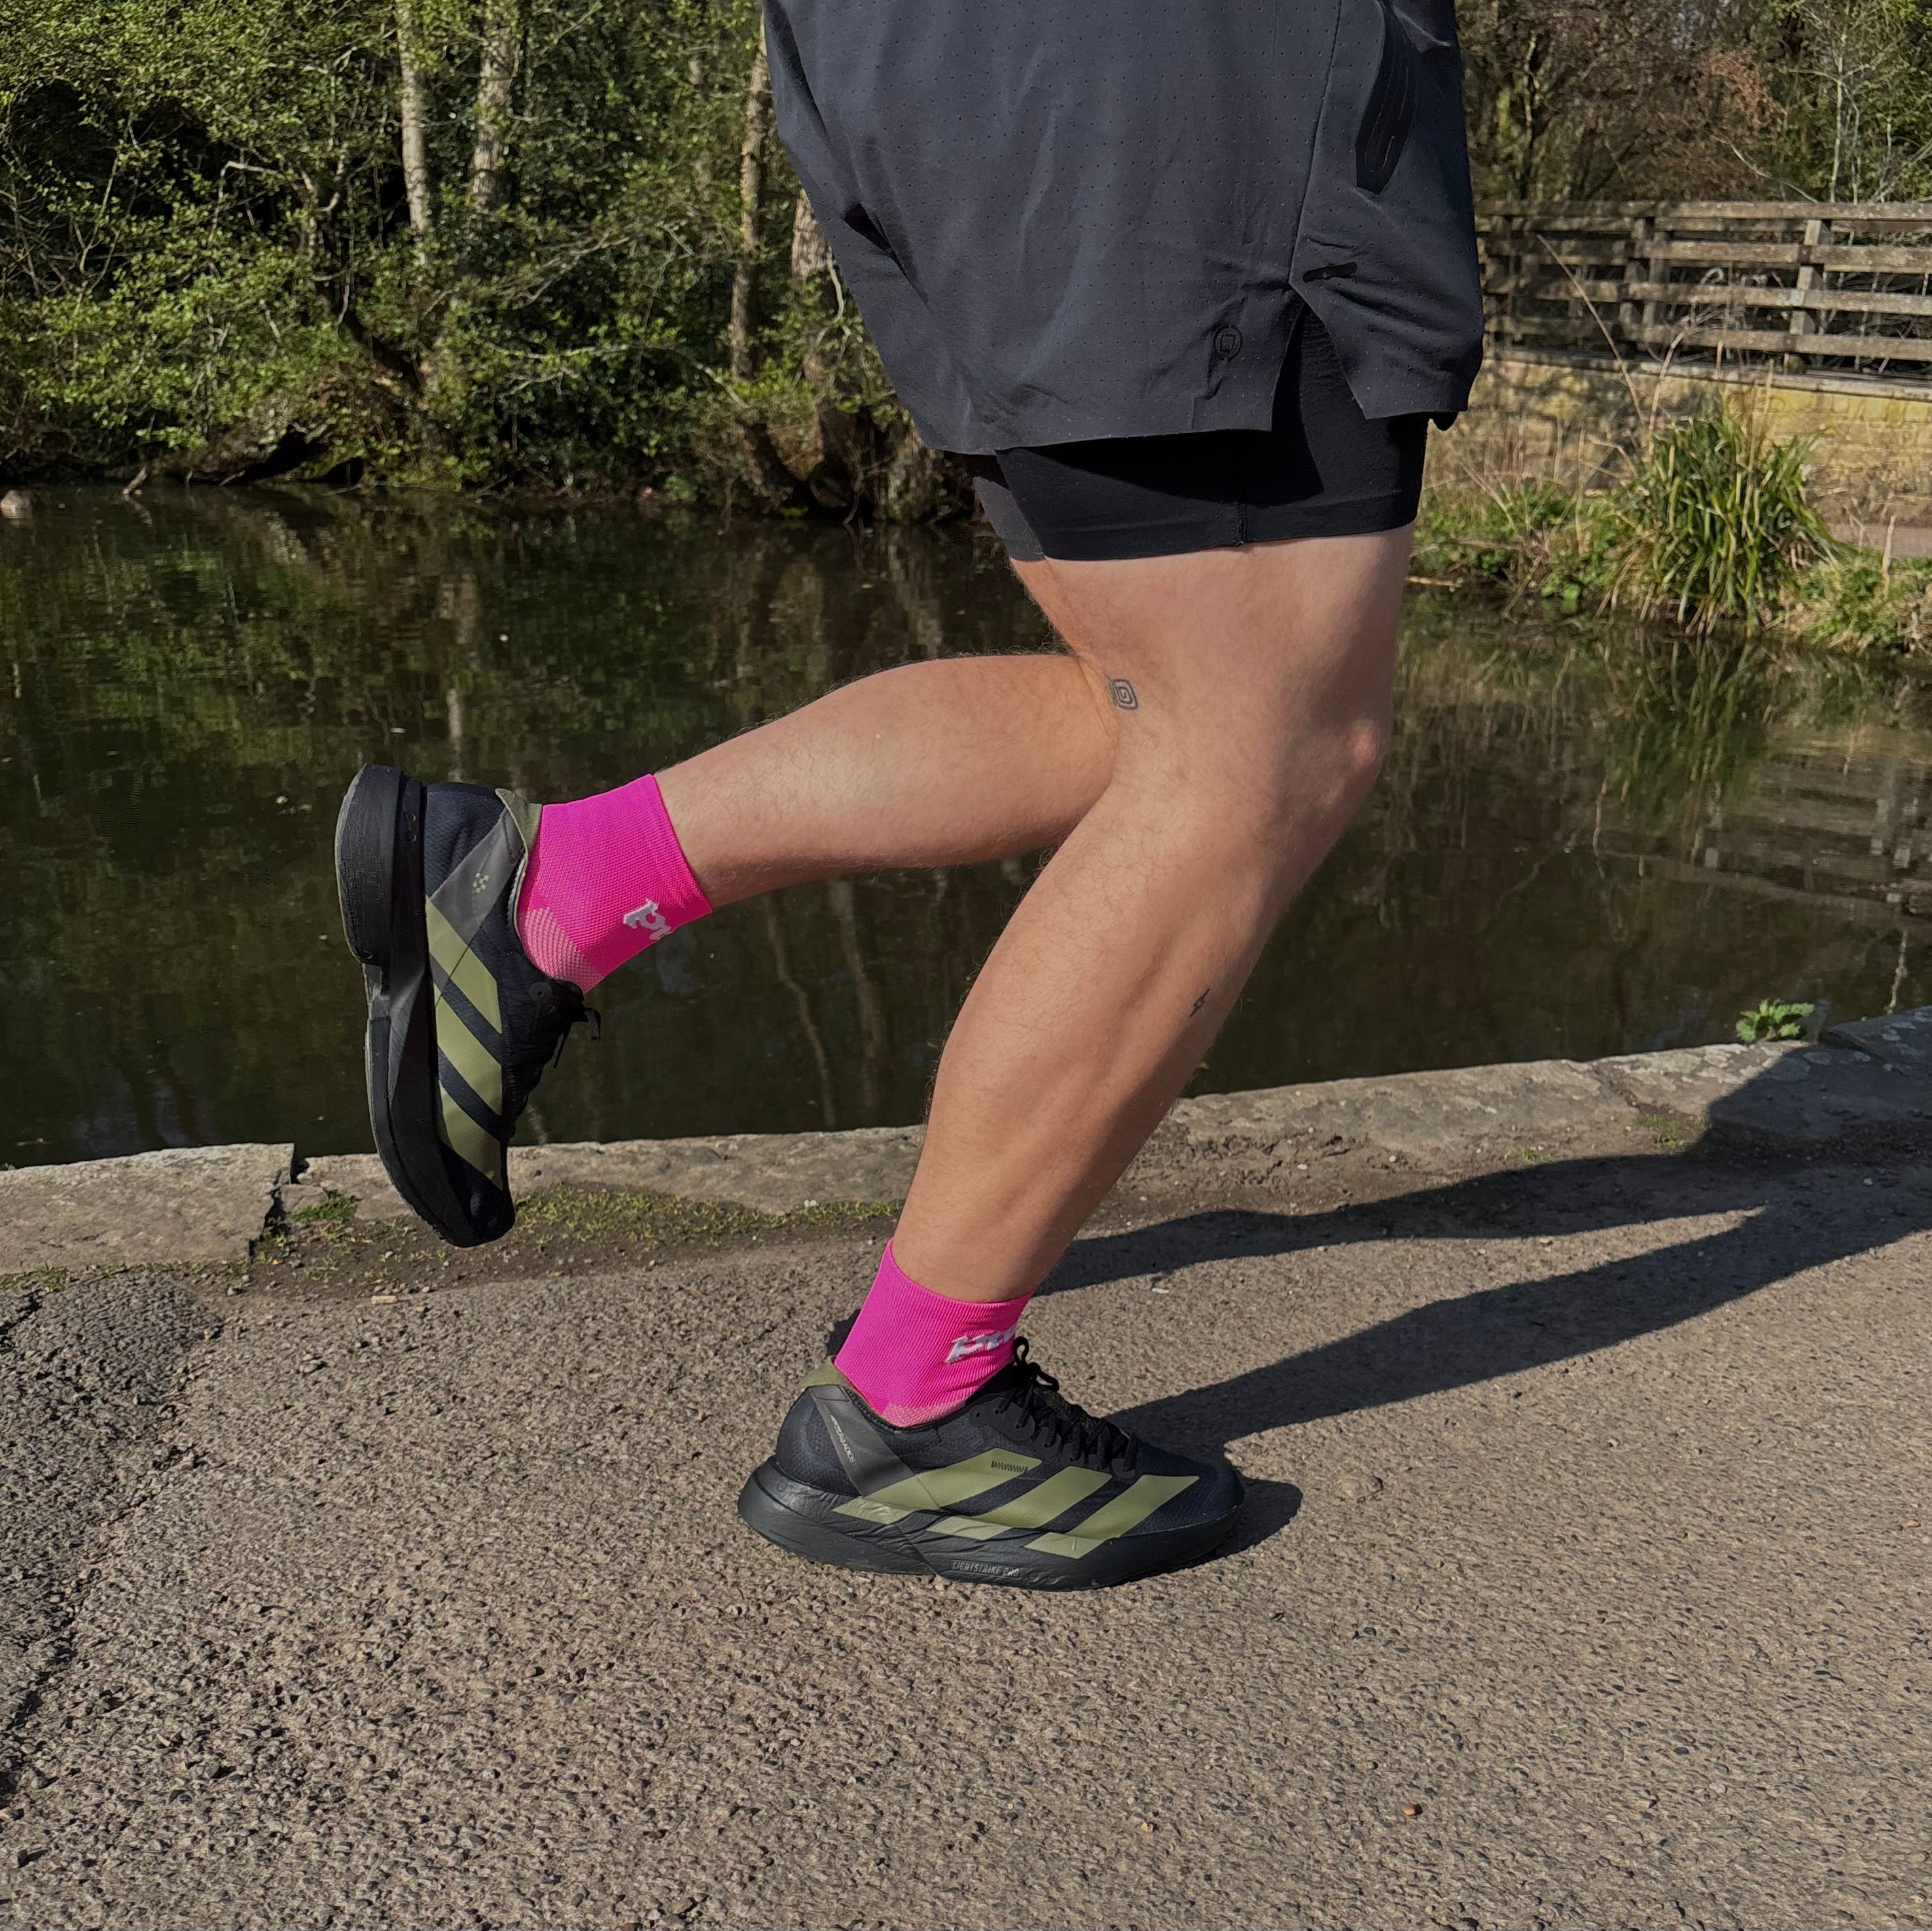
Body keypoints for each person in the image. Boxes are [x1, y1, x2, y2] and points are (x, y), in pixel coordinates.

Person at [334, 0, 1484, 1589]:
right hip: (1196, 76)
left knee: (1186, 711)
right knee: (1258, 749)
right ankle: (911, 1409)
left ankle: (553, 888)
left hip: (989, 68)